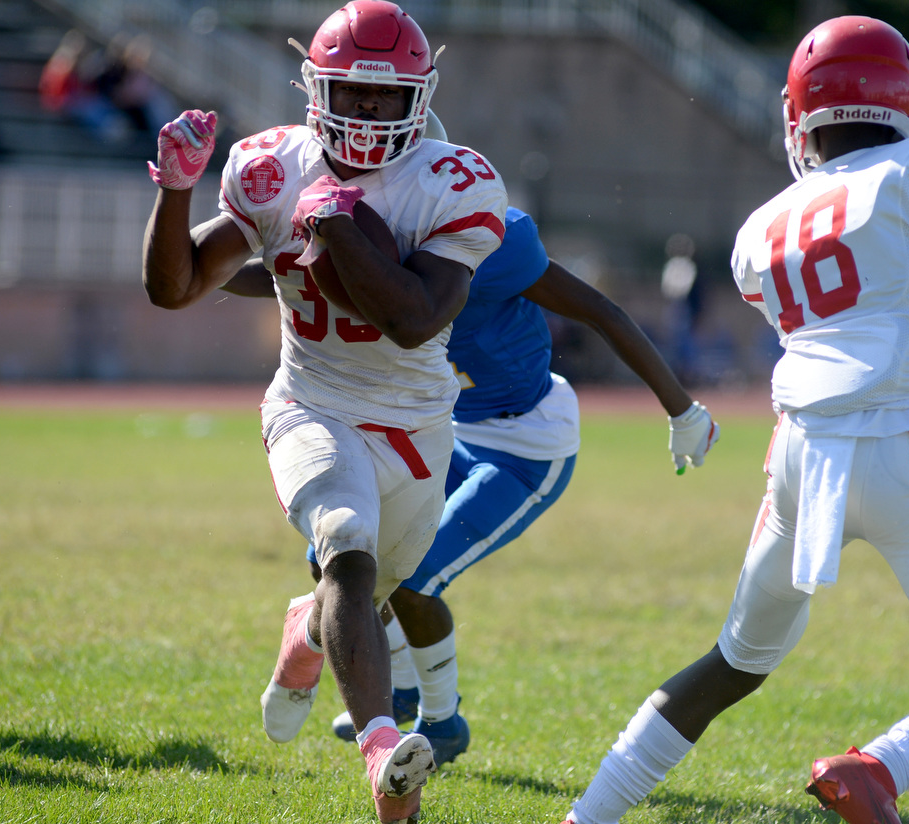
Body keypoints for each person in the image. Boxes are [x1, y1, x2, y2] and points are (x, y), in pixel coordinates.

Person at [557, 15, 909, 824]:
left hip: (799, 457)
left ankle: (586, 816)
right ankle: (880, 767)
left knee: (736, 658)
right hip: (905, 443)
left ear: (802, 114)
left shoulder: (760, 227)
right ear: (900, 101)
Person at [140, 0, 507, 824]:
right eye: (352, 93)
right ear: (316, 89)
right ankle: (383, 754)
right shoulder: (272, 164)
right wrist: (174, 191)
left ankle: (304, 636)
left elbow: (416, 319)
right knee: (347, 547)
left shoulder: (456, 179)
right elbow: (176, 287)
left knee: (368, 598)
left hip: (416, 423)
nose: (369, 111)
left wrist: (338, 227)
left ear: (421, 93)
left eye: (387, 95)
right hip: (311, 402)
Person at [228, 196, 721, 768]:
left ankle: (442, 720)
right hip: (447, 429)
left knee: (416, 579)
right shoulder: (370, 238)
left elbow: (601, 311)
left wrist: (682, 411)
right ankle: (405, 682)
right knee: (339, 561)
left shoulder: (490, 242)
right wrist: (190, 266)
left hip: (526, 445)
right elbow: (278, 275)